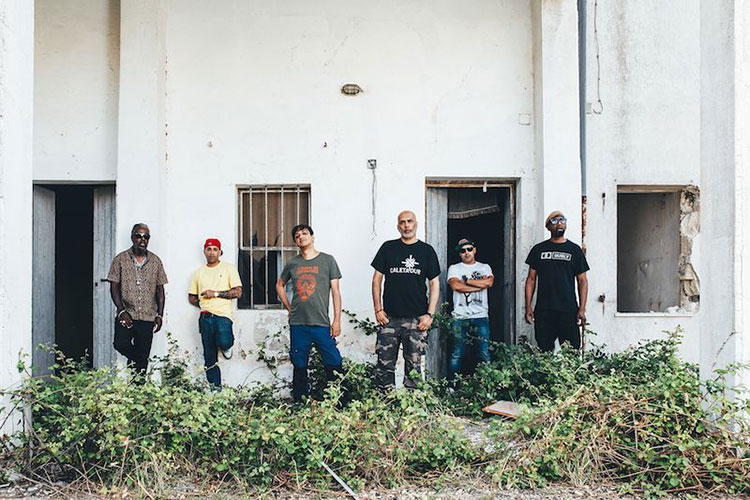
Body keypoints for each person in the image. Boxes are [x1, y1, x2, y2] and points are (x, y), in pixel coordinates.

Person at [276, 224, 347, 403]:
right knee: (299, 363)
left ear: (313, 237)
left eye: (305, 233)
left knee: (333, 361)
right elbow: (279, 285)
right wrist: (289, 307)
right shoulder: (293, 263)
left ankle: (339, 401)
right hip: (298, 323)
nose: (301, 236)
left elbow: (336, 292)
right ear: (295, 242)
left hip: (321, 323)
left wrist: (337, 320)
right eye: (297, 235)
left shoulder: (327, 260)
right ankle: (300, 401)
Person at [371, 210, 440, 389]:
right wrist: (378, 309)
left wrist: (429, 315)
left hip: (416, 320)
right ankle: (384, 401)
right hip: (389, 318)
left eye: (410, 221)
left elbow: (434, 283)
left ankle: (412, 403)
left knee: (414, 369)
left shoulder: (426, 251)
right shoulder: (388, 248)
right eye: (402, 222)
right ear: (398, 226)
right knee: (384, 366)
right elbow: (377, 279)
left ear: (416, 224)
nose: (406, 225)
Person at [107, 223, 168, 375]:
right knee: (120, 344)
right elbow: (114, 286)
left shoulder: (156, 261)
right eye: (139, 236)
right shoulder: (120, 259)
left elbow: (160, 290)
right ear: (132, 237)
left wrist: (160, 315)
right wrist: (121, 310)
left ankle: (138, 385)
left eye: (146, 237)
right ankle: (139, 360)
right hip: (127, 313)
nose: (142, 239)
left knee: (143, 354)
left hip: (148, 316)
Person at [524, 211, 589, 352]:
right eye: (554, 221)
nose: (559, 223)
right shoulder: (538, 250)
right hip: (544, 310)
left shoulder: (574, 250)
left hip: (568, 310)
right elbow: (531, 280)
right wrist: (528, 307)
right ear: (548, 227)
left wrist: (582, 308)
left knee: (571, 352)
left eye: (562, 220)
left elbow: (582, 281)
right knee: (544, 352)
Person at [188, 238, 243, 388]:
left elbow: (238, 292)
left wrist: (215, 294)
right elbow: (192, 297)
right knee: (209, 356)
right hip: (205, 316)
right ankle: (215, 388)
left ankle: (226, 346)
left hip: (223, 316)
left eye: (215, 249)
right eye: (209, 249)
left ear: (220, 252)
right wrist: (203, 303)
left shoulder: (229, 268)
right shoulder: (198, 273)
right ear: (204, 252)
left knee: (224, 341)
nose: (212, 252)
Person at [447, 238, 494, 379]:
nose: (466, 252)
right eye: (463, 251)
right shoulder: (454, 268)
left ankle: (486, 384)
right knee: (457, 353)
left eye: (469, 249)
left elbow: (489, 282)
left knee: (483, 353)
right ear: (459, 253)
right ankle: (451, 385)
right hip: (460, 316)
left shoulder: (484, 267)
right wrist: (479, 285)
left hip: (481, 316)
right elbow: (455, 286)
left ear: (474, 250)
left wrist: (466, 281)